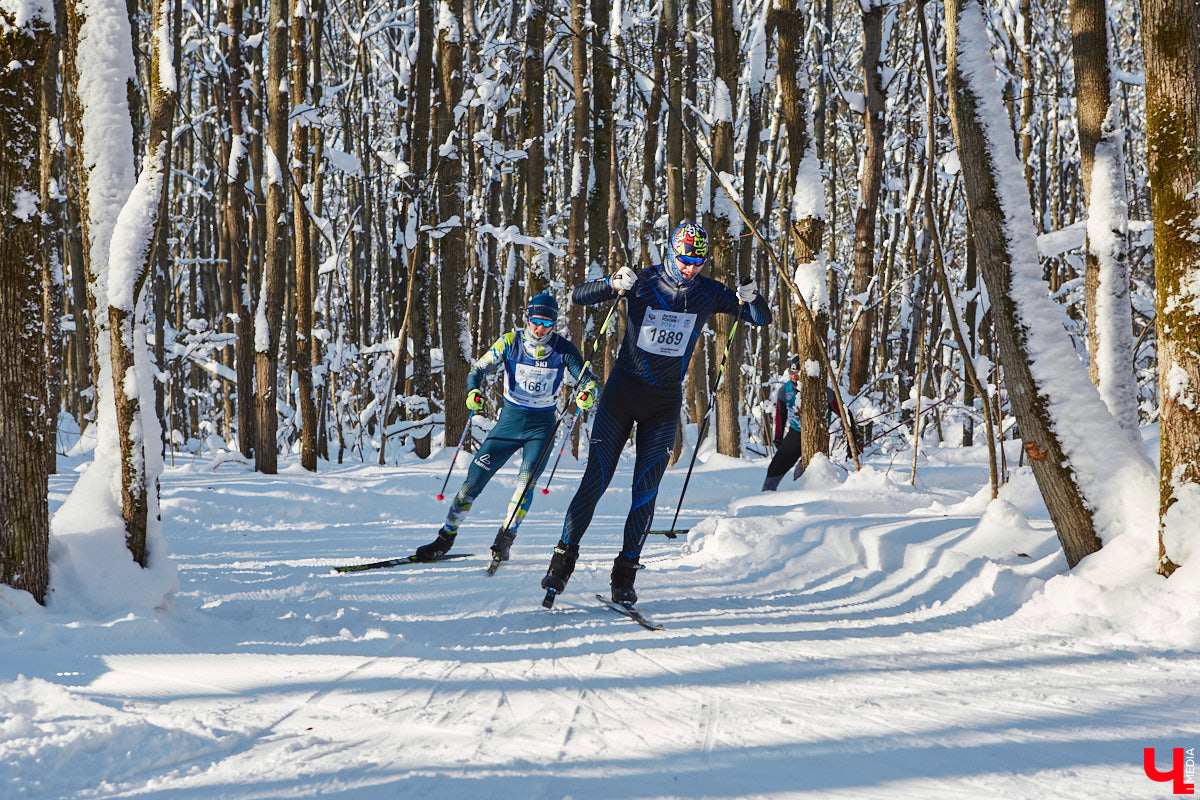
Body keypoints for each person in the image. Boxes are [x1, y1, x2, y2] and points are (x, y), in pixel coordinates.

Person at [541, 221, 773, 604]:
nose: (690, 269)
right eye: (684, 260)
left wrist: (753, 296)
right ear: (670, 251)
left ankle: (625, 574)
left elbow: (760, 318)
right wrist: (611, 283)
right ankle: (562, 562)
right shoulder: (643, 282)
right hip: (622, 395)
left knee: (646, 492)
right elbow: (579, 296)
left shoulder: (708, 293)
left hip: (664, 404)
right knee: (595, 482)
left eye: (698, 262)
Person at [415, 293, 598, 563]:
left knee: (525, 485)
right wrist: (473, 391)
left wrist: (588, 392)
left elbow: (588, 379)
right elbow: (477, 370)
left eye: (547, 323)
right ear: (527, 318)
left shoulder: (562, 349)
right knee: (473, 481)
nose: (540, 328)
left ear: (554, 324)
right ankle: (445, 538)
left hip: (541, 427)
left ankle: (505, 539)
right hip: (509, 423)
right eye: (535, 321)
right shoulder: (510, 342)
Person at [761, 355, 855, 491]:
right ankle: (765, 498)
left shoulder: (823, 392)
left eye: (798, 373)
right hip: (795, 434)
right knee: (775, 468)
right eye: (791, 373)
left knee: (802, 472)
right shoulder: (784, 391)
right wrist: (778, 438)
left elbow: (846, 414)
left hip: (816, 435)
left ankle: (803, 497)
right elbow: (780, 416)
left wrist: (851, 437)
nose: (794, 377)